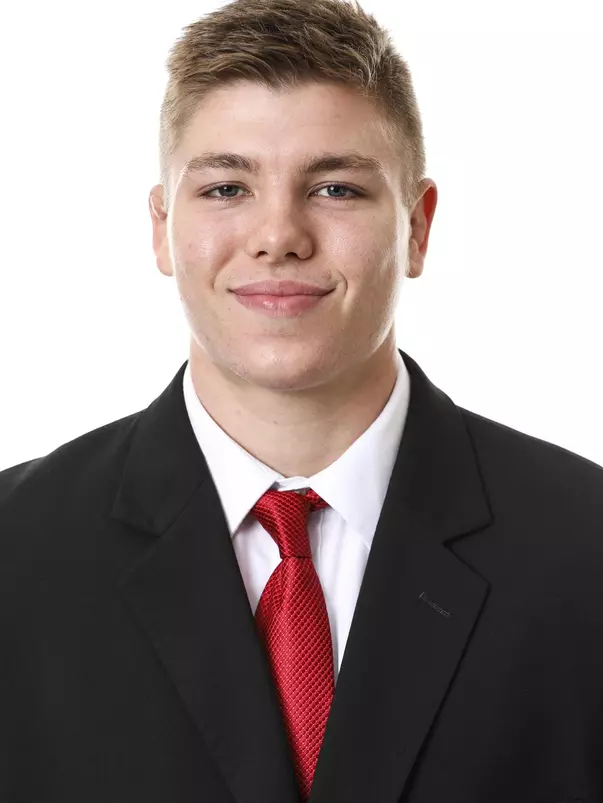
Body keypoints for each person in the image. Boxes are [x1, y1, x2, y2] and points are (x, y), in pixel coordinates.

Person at [1, 0, 602, 800]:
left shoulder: (584, 547)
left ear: (417, 227)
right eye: (224, 187)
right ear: (159, 226)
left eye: (335, 188)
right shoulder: (16, 549)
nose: (278, 234)